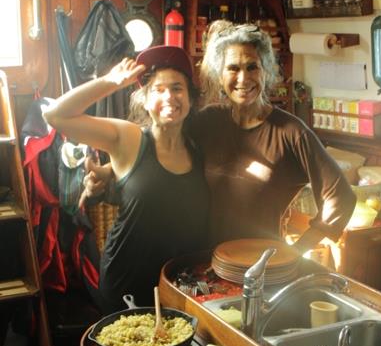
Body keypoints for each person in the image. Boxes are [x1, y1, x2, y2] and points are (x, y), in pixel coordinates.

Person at [44, 46, 210, 313]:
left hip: (183, 285)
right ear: (144, 99)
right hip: (128, 282)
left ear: (190, 98)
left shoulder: (200, 147)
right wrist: (111, 82)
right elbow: (55, 115)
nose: (169, 96)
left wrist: (109, 172)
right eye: (158, 89)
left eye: (178, 88)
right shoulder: (129, 138)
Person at [189, 20, 356, 253]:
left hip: (263, 271)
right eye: (233, 68)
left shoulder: (291, 132)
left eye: (252, 67)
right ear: (220, 76)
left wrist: (296, 252)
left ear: (266, 72)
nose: (243, 78)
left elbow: (341, 197)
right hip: (208, 262)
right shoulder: (208, 121)